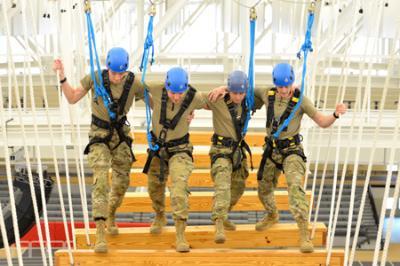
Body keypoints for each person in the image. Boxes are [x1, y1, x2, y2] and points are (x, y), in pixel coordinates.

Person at [52, 47, 144, 253]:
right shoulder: (95, 78)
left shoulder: (134, 83)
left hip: (121, 135)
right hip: (99, 136)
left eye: (121, 73)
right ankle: (100, 232)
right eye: (114, 73)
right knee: (101, 179)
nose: (117, 77)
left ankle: (111, 212)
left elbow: (155, 103)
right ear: (107, 68)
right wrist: (62, 76)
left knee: (122, 182)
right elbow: (73, 97)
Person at [253, 63, 347, 253]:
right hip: (272, 149)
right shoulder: (266, 93)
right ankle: (272, 214)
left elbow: (322, 122)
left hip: (292, 150)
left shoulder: (301, 100)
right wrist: (224, 88)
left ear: (292, 83)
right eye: (280, 87)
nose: (284, 91)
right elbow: (244, 89)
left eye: (287, 86)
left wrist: (335, 114)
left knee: (295, 187)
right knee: (263, 188)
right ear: (275, 84)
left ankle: (304, 234)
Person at [143, 67, 206, 252]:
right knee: (154, 187)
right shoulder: (155, 88)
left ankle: (180, 234)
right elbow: (134, 85)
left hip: (180, 150)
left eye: (180, 93)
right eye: (172, 92)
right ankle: (159, 215)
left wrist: (224, 90)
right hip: (157, 149)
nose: (176, 97)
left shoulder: (194, 96)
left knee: (178, 188)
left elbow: (213, 101)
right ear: (166, 86)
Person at [202, 70, 252, 244]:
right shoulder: (218, 99)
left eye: (241, 93)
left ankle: (223, 214)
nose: (238, 97)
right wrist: (222, 88)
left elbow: (270, 92)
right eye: (234, 92)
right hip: (221, 151)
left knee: (238, 187)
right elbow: (193, 98)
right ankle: (219, 224)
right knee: (223, 186)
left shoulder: (250, 100)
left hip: (238, 152)